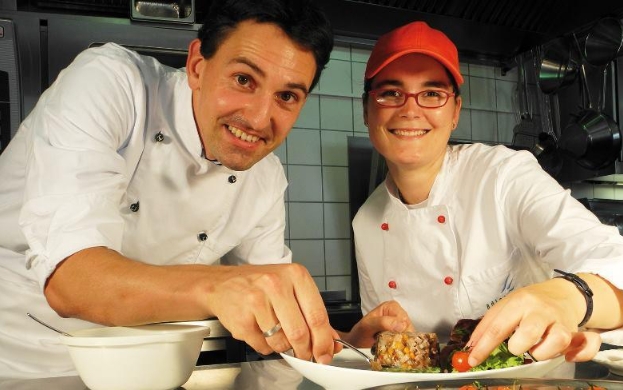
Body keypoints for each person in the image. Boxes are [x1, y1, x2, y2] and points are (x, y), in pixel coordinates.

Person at [0, 0, 349, 378]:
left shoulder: (264, 177)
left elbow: (277, 312)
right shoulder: (112, 83)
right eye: (244, 80)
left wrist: (348, 344)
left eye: (286, 96)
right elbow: (71, 283)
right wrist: (221, 287)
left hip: (147, 372)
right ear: (198, 65)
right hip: (23, 362)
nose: (259, 118)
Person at [344, 20, 623, 368]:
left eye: (432, 93)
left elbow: (613, 260)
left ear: (455, 112)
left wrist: (568, 297)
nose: (410, 109)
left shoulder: (503, 175)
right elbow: (385, 348)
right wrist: (359, 341)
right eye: (390, 92)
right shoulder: (366, 222)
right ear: (366, 111)